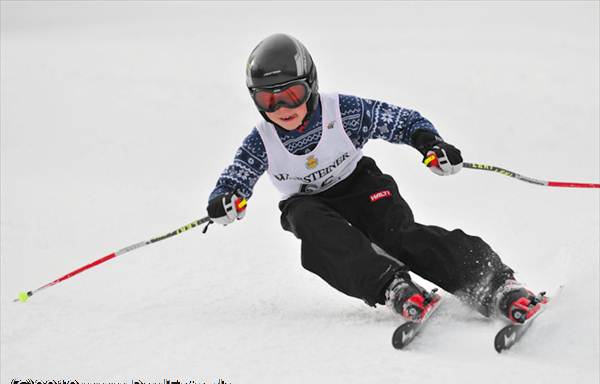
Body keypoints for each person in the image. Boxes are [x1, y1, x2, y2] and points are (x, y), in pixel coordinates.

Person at [206, 33, 544, 324]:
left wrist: (430, 143)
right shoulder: (261, 140)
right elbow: (237, 176)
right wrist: (226, 199)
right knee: (309, 224)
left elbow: (399, 120)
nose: (281, 107)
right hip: (309, 205)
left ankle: (493, 283)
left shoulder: (344, 112)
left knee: (397, 235)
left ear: (311, 85)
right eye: (267, 98)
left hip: (360, 186)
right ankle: (390, 287)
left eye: (291, 94)